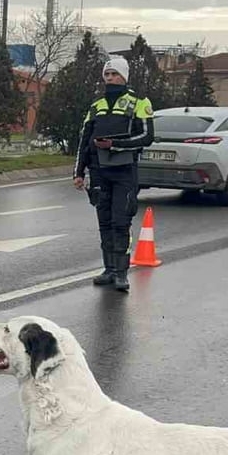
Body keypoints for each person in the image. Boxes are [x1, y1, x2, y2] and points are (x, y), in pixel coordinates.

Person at [72, 57, 155, 292]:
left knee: (121, 222)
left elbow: (147, 136)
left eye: (114, 74)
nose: (109, 78)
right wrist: (79, 172)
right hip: (99, 171)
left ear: (124, 76)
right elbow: (85, 140)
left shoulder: (139, 101)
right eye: (107, 75)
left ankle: (121, 272)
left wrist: (115, 145)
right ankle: (108, 269)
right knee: (105, 222)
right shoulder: (96, 105)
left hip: (124, 170)